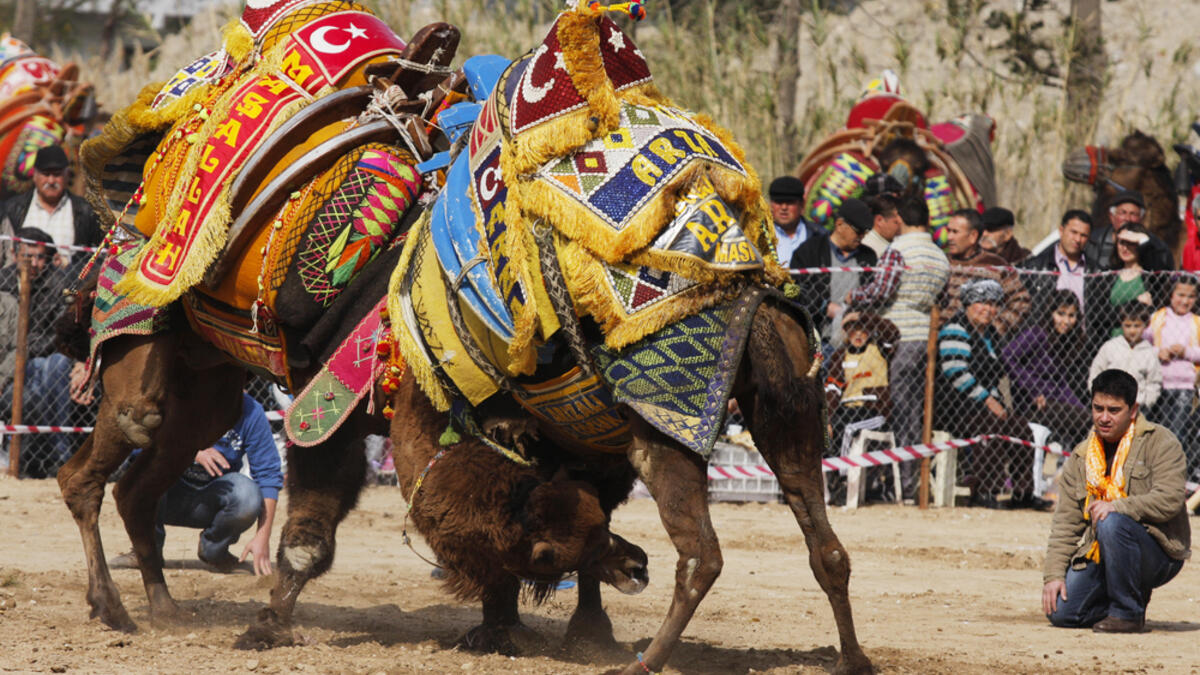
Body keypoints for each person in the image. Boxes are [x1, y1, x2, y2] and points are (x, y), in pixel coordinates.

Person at [1042, 369, 1190, 633]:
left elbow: (1170, 498)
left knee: (1110, 521)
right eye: (1098, 408)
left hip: (1158, 553)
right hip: (1102, 551)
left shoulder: (1161, 442)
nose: (1104, 417)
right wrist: (1053, 576)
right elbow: (1065, 523)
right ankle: (1119, 597)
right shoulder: (1081, 456)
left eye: (1113, 410)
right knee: (1062, 614)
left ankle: (1127, 613)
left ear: (1133, 410)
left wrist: (1118, 507)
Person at [110, 392, 283, 574]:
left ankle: (214, 552)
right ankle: (147, 552)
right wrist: (191, 451)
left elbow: (269, 474)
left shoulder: (250, 410)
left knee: (247, 495)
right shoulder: (173, 398)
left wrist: (263, 537)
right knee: (145, 474)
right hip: (165, 495)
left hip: (212, 501)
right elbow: (137, 451)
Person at [847, 197, 950, 497]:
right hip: (926, 338)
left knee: (897, 410)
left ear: (901, 220)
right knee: (915, 412)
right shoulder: (939, 256)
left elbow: (882, 290)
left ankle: (901, 485)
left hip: (897, 337)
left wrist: (856, 296)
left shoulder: (899, 251)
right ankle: (908, 481)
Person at [935, 278, 1043, 509]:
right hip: (956, 406)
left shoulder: (990, 334)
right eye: (982, 302)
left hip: (983, 403)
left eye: (994, 304)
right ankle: (984, 492)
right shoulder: (956, 328)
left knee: (1021, 429)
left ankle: (1023, 493)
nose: (989, 309)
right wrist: (988, 400)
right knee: (991, 426)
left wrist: (997, 402)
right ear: (968, 304)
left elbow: (994, 374)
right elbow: (956, 373)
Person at [0, 228, 78, 477]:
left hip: (43, 355)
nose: (33, 263)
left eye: (40, 257)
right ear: (14, 253)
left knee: (52, 366)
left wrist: (26, 346)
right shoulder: (4, 280)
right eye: (27, 256)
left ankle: (60, 453)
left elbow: (60, 332)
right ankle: (30, 456)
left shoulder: (60, 283)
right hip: (12, 359)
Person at [1001, 290, 1092, 447]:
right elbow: (1007, 356)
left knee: (1089, 421)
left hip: (1054, 403)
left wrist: (1084, 411)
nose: (1066, 321)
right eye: (1060, 314)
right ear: (1051, 313)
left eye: (1071, 316)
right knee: (1084, 422)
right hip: (1031, 405)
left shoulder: (1065, 342)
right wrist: (1033, 390)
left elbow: (1061, 386)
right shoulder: (1037, 334)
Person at [790, 198, 877, 347]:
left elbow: (874, 291)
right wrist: (824, 307)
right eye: (858, 231)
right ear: (839, 224)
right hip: (818, 338)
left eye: (865, 232)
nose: (862, 236)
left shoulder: (868, 257)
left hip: (857, 340)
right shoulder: (809, 251)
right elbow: (794, 288)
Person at [0, 145, 103, 270]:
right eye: (45, 174)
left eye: (57, 174)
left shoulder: (87, 212)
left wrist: (71, 269)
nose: (51, 180)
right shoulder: (12, 209)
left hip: (67, 285)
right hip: (19, 284)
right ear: (35, 175)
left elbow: (98, 257)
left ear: (67, 175)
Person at [940, 208, 1030, 336]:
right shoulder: (942, 262)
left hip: (981, 344)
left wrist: (994, 329)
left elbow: (1021, 301)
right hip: (943, 339)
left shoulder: (995, 265)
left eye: (955, 232)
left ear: (973, 236)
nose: (949, 237)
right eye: (948, 231)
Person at [1144, 274, 1200, 480]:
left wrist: (1187, 352)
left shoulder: (1196, 322)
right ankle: (1150, 476)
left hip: (1184, 387)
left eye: (1191, 296)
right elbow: (1144, 342)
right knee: (1155, 432)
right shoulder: (1159, 317)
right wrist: (1158, 352)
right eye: (1180, 295)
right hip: (1159, 383)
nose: (1185, 301)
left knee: (1177, 434)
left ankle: (1171, 479)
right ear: (1171, 294)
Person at [1090, 223, 1172, 339]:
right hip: (1112, 341)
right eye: (1122, 242)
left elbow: (1164, 261)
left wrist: (1144, 239)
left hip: (1144, 342)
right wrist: (1135, 305)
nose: (1125, 248)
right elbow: (1099, 313)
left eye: (1132, 243)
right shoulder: (1108, 275)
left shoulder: (1151, 275)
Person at [1089, 302, 1162, 412]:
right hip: (1108, 405)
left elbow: (1154, 382)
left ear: (1145, 325)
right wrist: (1100, 397)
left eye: (1137, 326)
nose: (1132, 331)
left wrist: (1145, 401)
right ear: (1121, 323)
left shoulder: (1149, 352)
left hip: (1136, 408)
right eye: (1128, 325)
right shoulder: (1110, 347)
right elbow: (1096, 372)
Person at [1084, 191, 1174, 272]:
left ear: (1141, 218)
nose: (1127, 218)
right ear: (1112, 216)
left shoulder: (1157, 247)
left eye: (1133, 214)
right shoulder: (1093, 241)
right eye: (1123, 212)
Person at [768, 175, 822, 266]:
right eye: (779, 202)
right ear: (770, 204)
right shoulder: (758, 236)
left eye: (790, 202)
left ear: (802, 204)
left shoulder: (819, 235)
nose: (784, 207)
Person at [860, 177, 904, 258]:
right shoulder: (869, 250)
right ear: (879, 220)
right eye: (896, 221)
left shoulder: (893, 245)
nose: (901, 223)